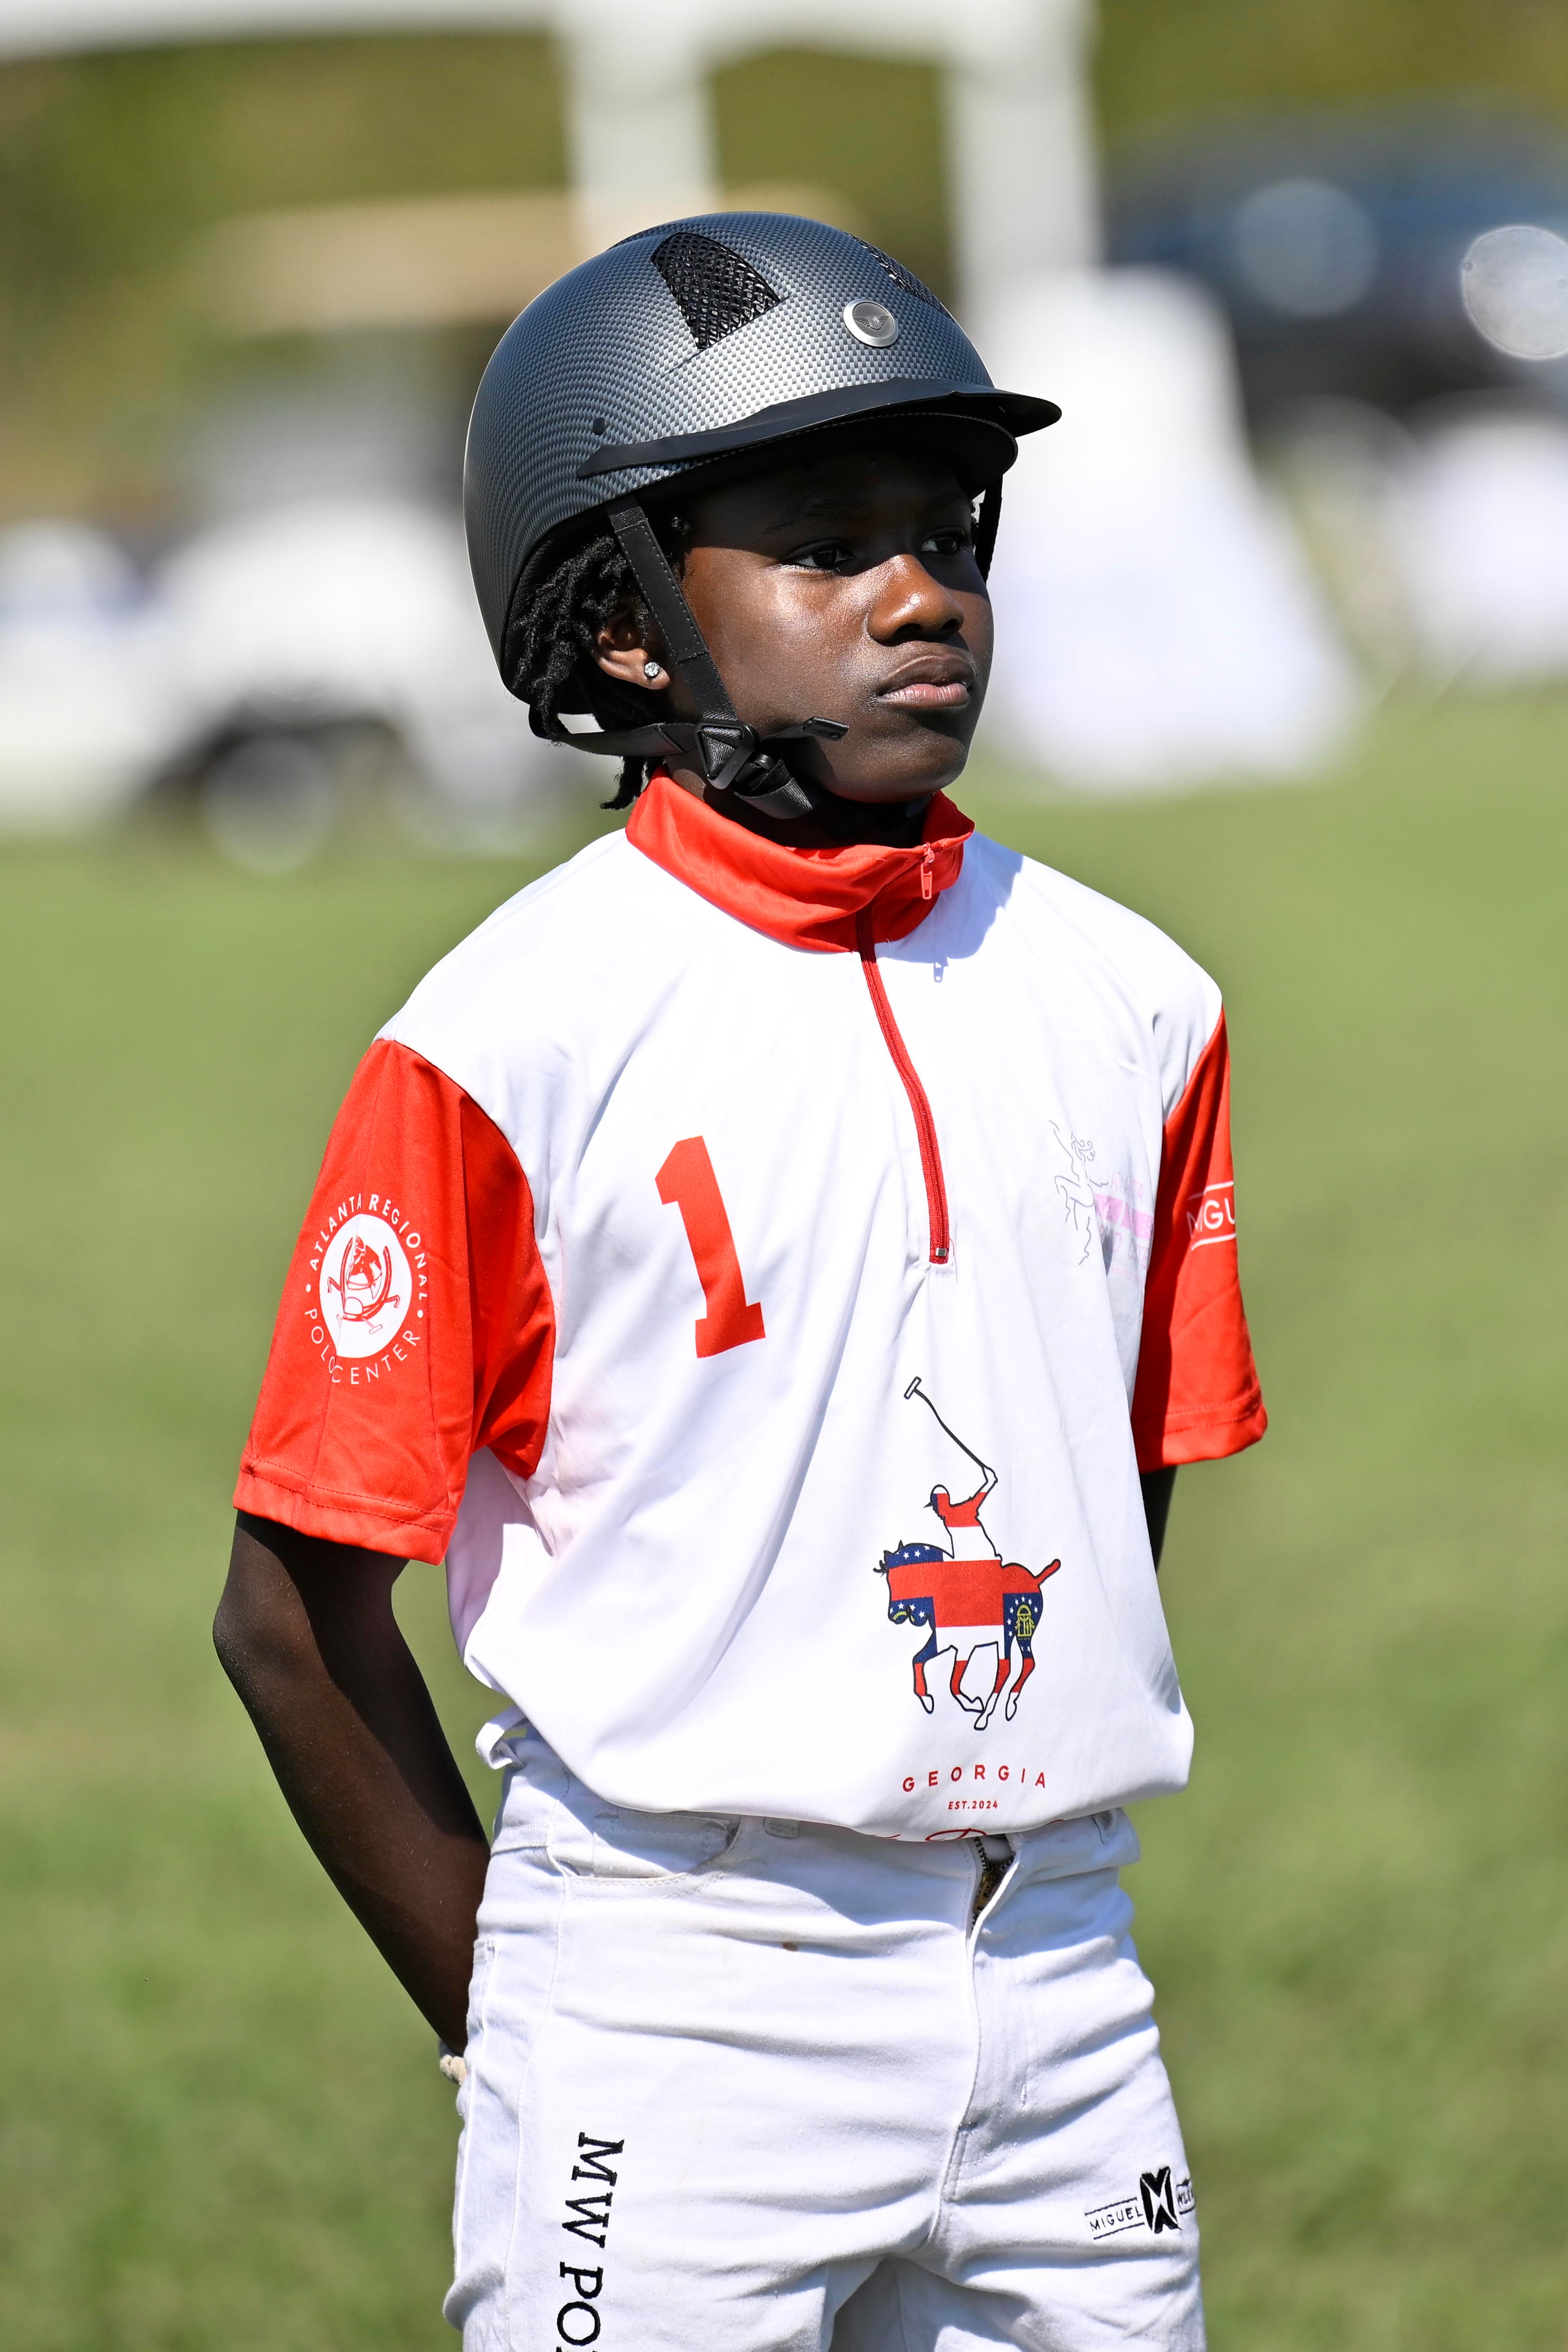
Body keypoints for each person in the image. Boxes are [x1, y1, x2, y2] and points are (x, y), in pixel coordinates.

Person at [214, 214, 1266, 2352]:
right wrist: (531, 2024)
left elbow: (1104, 1501)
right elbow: (293, 1621)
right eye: (819, 545)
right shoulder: (507, 1038)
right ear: (615, 626)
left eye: (943, 536)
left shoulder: (1139, 1001)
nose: (918, 597)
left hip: (1062, 1986)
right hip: (670, 2012)